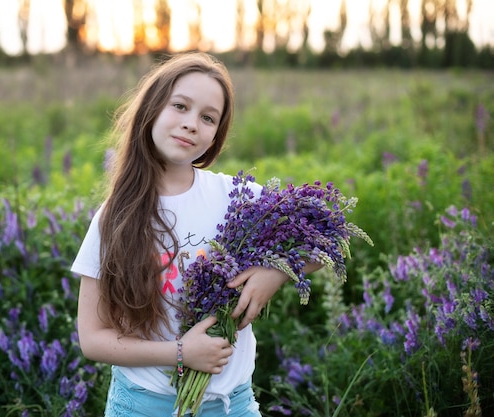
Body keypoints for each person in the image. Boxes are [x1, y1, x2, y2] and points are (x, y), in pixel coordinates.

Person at [71, 52, 320, 416]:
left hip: (230, 405)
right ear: (151, 110)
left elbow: (325, 241)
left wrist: (276, 272)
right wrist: (181, 353)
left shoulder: (235, 198)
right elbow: (93, 339)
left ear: (217, 134)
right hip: (142, 405)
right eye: (180, 106)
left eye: (207, 118)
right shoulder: (114, 218)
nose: (191, 124)